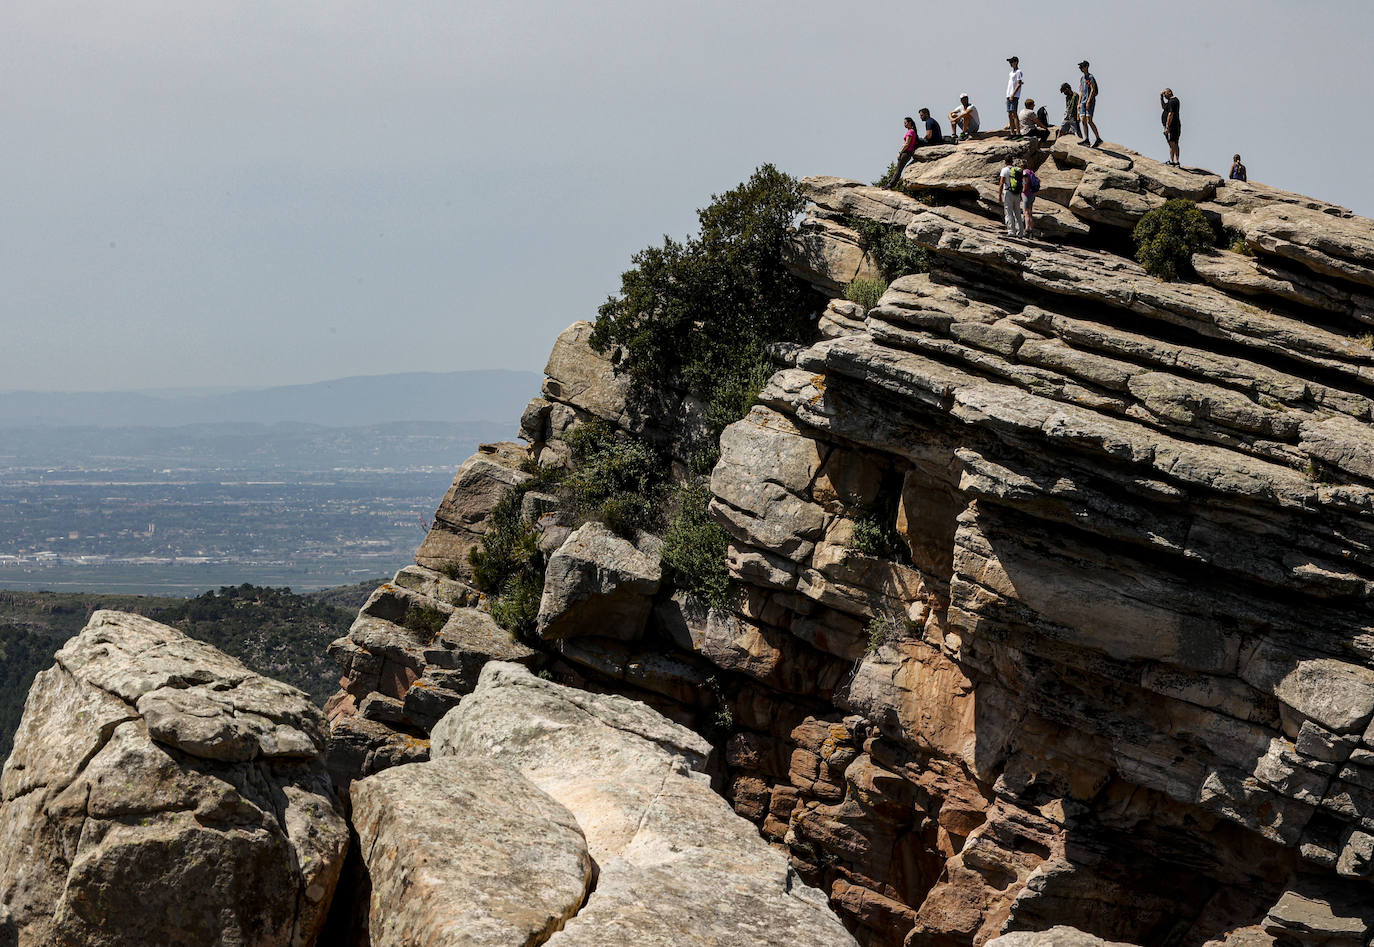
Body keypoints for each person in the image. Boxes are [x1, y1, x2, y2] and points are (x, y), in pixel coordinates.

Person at [886, 117, 918, 188]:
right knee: (899, 169)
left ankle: (890, 185)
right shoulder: (912, 131)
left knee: (898, 170)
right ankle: (891, 184)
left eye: (905, 123)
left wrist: (900, 152)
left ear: (910, 123)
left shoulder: (910, 132)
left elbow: (907, 144)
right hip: (908, 152)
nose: (904, 124)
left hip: (906, 153)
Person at [998, 158, 1025, 237]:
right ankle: (1020, 232)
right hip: (1017, 193)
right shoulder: (1017, 170)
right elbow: (1022, 183)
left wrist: (999, 195)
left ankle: (1011, 231)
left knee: (1008, 212)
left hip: (1008, 192)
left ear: (1005, 162)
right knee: (1018, 213)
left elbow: (1001, 183)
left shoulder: (1004, 170)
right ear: (1012, 162)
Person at [1078, 60, 1102, 147]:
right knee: (1083, 120)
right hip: (1083, 102)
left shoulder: (1090, 77)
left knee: (1089, 120)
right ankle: (1086, 139)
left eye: (1082, 66)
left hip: (1090, 101)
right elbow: (1081, 91)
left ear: (1086, 67)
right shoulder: (1082, 78)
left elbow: (1093, 89)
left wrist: (1088, 101)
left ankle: (1098, 139)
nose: (1080, 68)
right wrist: (1079, 103)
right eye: (1080, 67)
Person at [1160, 88, 1180, 165]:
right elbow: (1164, 107)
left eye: (1165, 93)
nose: (1164, 95)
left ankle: (1172, 161)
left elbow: (1170, 114)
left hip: (1172, 125)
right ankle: (1176, 161)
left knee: (1172, 143)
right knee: (1174, 143)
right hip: (1174, 125)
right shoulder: (1171, 101)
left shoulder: (1172, 101)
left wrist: (1167, 126)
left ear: (1169, 92)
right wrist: (1161, 98)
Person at [1006, 56, 1024, 136]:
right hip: (1009, 95)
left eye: (1012, 62)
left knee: (1014, 113)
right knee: (1009, 114)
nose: (1010, 64)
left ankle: (1018, 132)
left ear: (1016, 62)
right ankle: (1012, 132)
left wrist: (1013, 94)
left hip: (1014, 95)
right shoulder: (1011, 73)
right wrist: (1008, 95)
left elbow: (1019, 83)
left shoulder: (1018, 72)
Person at [1022, 162, 1040, 235]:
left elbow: (1025, 183)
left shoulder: (1024, 173)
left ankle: (1027, 228)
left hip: (1026, 195)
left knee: (1026, 213)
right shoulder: (1031, 172)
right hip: (1032, 194)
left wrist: (1022, 190)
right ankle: (1031, 229)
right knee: (1030, 212)